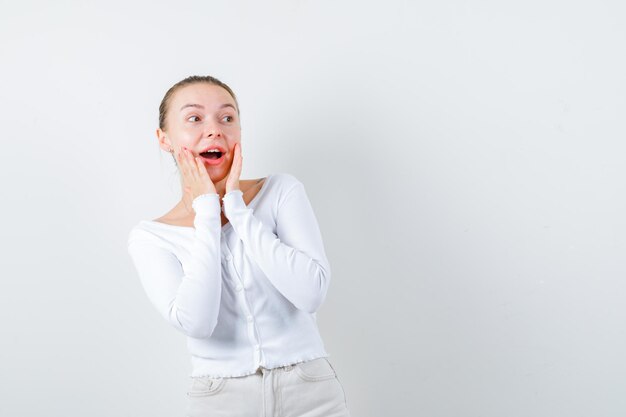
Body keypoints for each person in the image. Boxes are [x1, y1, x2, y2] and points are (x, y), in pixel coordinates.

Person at [127, 75, 351, 417]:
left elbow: (311, 293)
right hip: (220, 398)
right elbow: (198, 322)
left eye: (227, 118)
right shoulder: (152, 237)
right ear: (164, 139)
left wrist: (237, 209)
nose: (214, 129)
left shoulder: (280, 193)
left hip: (311, 391)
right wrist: (207, 210)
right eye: (194, 118)